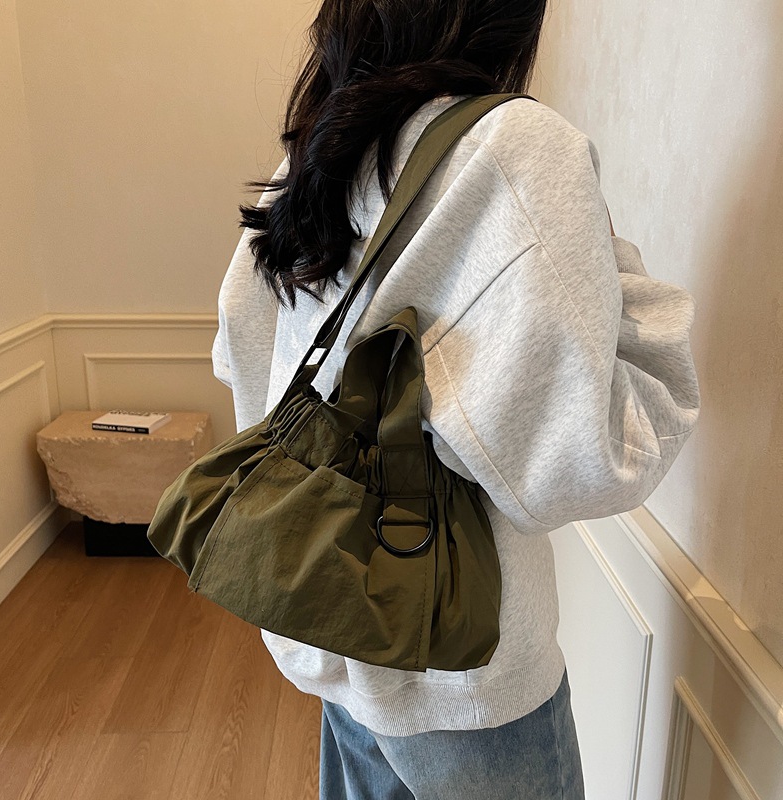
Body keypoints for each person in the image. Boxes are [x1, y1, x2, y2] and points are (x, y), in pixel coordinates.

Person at [211, 1, 701, 798]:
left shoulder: (323, 147)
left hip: (332, 620)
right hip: (459, 674)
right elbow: (598, 456)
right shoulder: (512, 145)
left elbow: (240, 348)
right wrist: (610, 256)